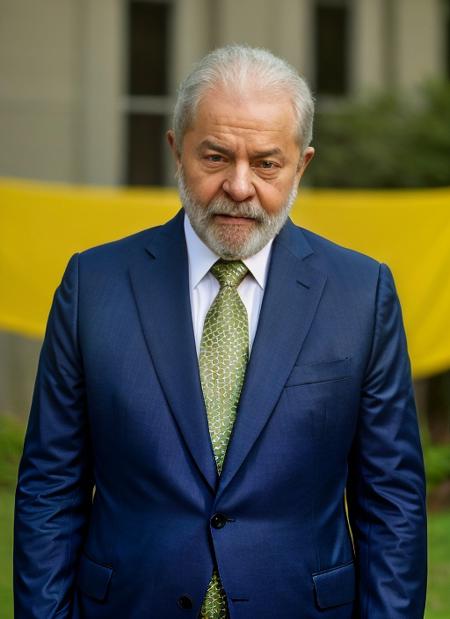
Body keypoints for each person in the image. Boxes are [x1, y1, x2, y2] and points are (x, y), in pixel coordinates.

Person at [14, 45, 426, 619]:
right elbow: (49, 493)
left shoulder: (362, 294)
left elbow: (393, 506)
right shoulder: (93, 285)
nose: (238, 186)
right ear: (176, 150)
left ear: (301, 165)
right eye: (215, 157)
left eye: (266, 163)